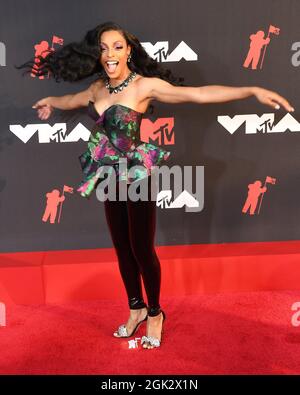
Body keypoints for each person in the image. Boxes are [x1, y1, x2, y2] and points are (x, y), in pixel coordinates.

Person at [16, 21, 294, 350]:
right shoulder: (98, 88)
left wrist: (251, 90)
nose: (110, 54)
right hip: (108, 174)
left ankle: (155, 313)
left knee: (141, 249)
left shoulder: (144, 86)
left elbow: (199, 94)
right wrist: (49, 100)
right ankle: (135, 309)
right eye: (104, 48)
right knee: (121, 248)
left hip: (136, 175)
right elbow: (71, 99)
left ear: (129, 51)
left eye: (117, 47)